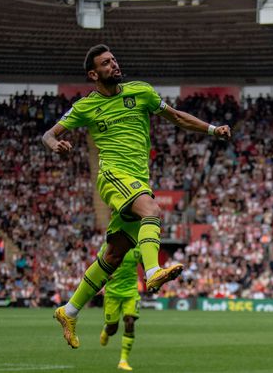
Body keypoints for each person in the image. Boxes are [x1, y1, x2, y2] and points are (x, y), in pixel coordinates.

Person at [42, 44, 231, 348]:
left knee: (114, 255)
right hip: (113, 175)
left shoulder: (140, 91)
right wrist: (55, 145)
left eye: (114, 60)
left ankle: (69, 310)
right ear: (93, 74)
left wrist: (212, 130)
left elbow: (177, 117)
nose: (114, 65)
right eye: (106, 63)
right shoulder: (85, 107)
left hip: (137, 178)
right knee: (151, 210)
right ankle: (153, 271)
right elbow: (49, 134)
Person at [98, 232, 142, 371]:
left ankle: (123, 360)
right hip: (112, 293)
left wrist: (150, 275)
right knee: (113, 328)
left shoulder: (138, 248)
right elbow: (98, 264)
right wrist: (104, 275)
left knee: (129, 322)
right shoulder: (107, 246)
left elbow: (146, 264)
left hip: (130, 292)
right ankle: (106, 330)